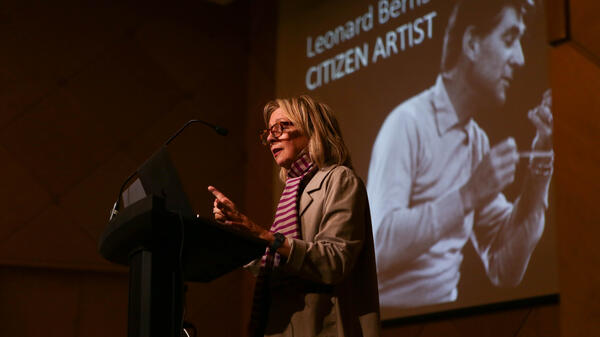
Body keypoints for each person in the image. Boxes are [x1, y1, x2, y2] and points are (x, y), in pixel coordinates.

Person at [367, 0, 553, 310]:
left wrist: (541, 160)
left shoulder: (477, 141)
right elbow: (377, 247)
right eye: (509, 39)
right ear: (471, 44)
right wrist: (469, 195)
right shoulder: (407, 122)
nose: (519, 59)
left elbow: (504, 266)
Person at [208, 95, 380, 336]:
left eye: (282, 126)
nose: (270, 137)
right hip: (281, 325)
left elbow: (335, 261)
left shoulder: (339, 178)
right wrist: (239, 233)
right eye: (268, 131)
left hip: (322, 327)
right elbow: (277, 266)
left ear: (313, 129)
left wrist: (264, 235)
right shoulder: (294, 189)